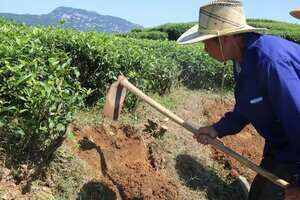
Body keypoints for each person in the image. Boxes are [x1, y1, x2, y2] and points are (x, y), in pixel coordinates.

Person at [177, 1, 300, 200]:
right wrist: (217, 129)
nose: (205, 50)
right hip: (281, 145)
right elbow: (249, 104)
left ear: (226, 39)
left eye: (206, 42)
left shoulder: (270, 62)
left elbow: (297, 117)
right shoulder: (242, 59)